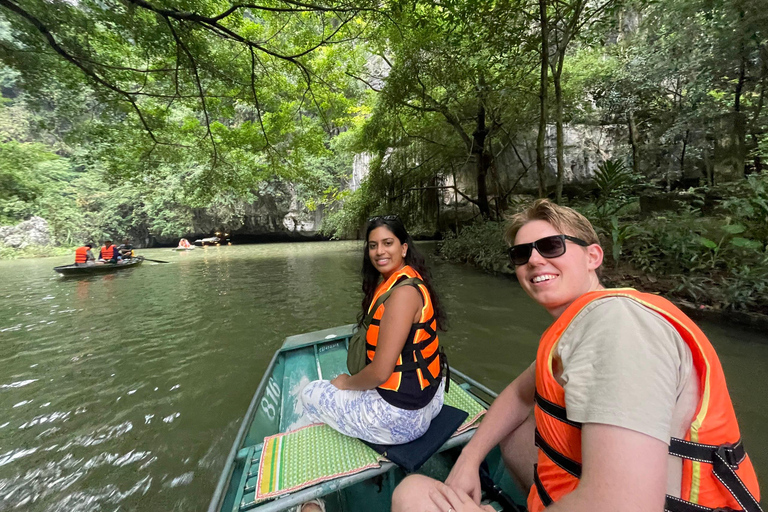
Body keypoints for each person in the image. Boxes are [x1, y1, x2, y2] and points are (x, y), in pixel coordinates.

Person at [392, 199, 762, 512]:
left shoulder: (616, 323)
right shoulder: (583, 324)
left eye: (552, 246)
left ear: (593, 256)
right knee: (521, 427)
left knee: (412, 494)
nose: (534, 261)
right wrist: (469, 460)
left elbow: (624, 504)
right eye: (522, 254)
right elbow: (520, 395)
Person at [299, 215, 448, 445]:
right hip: (430, 399)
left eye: (388, 243)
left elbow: (380, 373)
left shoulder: (402, 295)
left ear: (404, 248)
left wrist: (345, 383)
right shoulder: (408, 280)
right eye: (373, 245)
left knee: (310, 392)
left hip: (402, 418)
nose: (380, 251)